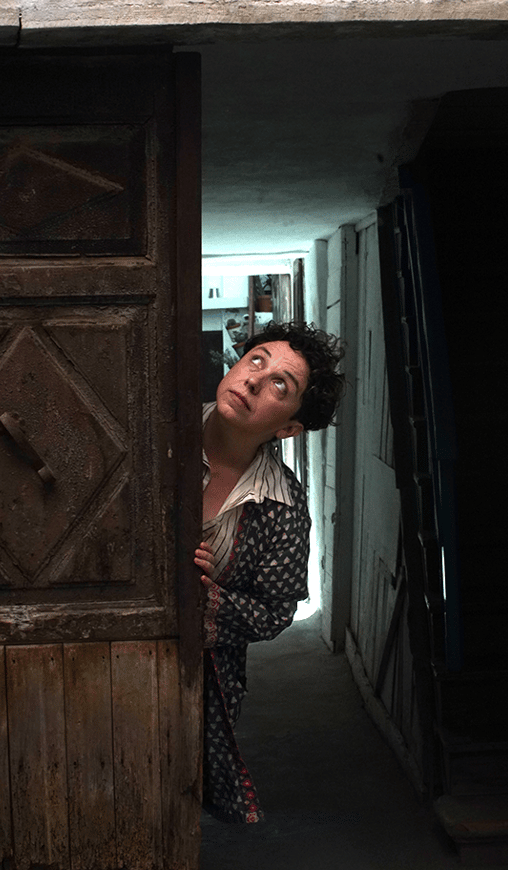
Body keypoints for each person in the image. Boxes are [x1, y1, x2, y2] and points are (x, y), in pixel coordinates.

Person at [195, 320, 345, 823]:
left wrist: (208, 598)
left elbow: (276, 610)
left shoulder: (282, 505)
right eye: (256, 360)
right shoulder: (157, 436)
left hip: (198, 681)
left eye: (282, 385)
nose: (256, 380)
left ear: (288, 428)